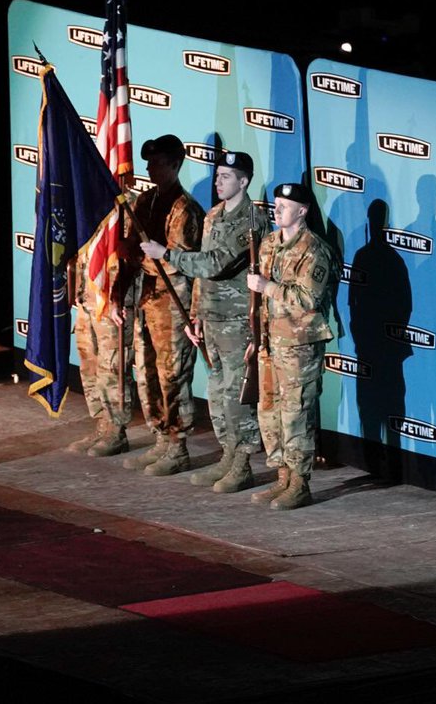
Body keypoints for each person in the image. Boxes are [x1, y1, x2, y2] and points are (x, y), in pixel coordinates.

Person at [141, 151, 262, 492]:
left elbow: (215, 264)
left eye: (227, 176)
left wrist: (166, 254)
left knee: (239, 395)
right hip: (211, 316)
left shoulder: (250, 220)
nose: (219, 181)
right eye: (218, 175)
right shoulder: (213, 215)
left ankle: (243, 462)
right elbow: (203, 281)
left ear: (244, 181)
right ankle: (227, 454)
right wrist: (194, 314)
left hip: (237, 320)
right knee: (218, 391)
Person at [246, 183, 338, 510]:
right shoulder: (269, 243)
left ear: (302, 210)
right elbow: (257, 301)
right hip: (269, 340)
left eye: (285, 205)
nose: (277, 209)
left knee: (296, 412)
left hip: (299, 343)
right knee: (268, 409)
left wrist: (268, 286)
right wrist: (254, 336)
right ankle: (282, 475)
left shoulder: (314, 250)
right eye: (276, 204)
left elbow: (308, 299)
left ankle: (300, 482)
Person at [119, 134, 204, 475]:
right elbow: (130, 245)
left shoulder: (185, 207)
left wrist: (140, 257)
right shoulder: (145, 201)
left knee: (173, 375)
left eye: (157, 163)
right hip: (145, 298)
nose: (150, 168)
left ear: (175, 164)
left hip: (173, 303)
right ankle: (159, 435)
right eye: (148, 163)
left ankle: (178, 444)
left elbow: (177, 260)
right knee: (148, 372)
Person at [70, 226, 138, 457]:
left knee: (112, 368)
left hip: (111, 303)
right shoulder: (86, 208)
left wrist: (119, 297)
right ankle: (101, 423)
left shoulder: (123, 208)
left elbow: (131, 257)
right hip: (88, 299)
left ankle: (115, 430)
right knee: (89, 365)